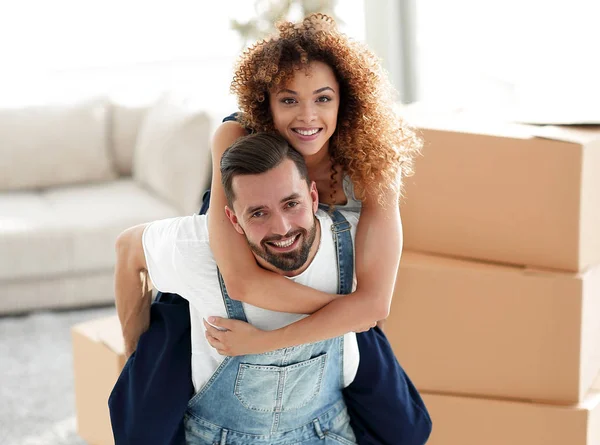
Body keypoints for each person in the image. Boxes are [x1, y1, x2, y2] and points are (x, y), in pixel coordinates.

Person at [111, 13, 431, 445]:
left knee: (403, 427)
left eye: (322, 99)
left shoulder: (374, 164)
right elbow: (242, 282)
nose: (306, 117)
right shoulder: (234, 135)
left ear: (345, 101)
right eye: (288, 100)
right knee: (143, 423)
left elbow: (376, 305)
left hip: (324, 292)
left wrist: (269, 341)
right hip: (231, 276)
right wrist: (346, 309)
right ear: (266, 103)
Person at [114, 133, 361, 444]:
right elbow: (128, 248)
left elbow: (376, 315)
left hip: (327, 431)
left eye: (291, 203)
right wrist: (136, 363)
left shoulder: (349, 241)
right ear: (232, 218)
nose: (282, 228)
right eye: (258, 213)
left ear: (313, 197)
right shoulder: (199, 249)